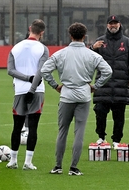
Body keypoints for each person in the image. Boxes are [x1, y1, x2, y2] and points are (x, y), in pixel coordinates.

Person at [41, 22, 112, 176]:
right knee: (79, 131)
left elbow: (45, 70)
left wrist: (55, 85)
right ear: (84, 36)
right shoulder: (92, 54)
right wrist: (95, 86)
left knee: (62, 131)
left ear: (70, 36)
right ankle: (73, 167)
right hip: (84, 94)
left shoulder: (61, 53)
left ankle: (58, 166)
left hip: (66, 94)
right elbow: (108, 71)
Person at [6, 19, 49, 170]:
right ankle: (28, 162)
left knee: (17, 126)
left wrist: (25, 79)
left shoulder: (15, 47)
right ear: (42, 32)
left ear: (30, 28)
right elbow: (41, 71)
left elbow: (10, 71)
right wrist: (32, 87)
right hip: (36, 91)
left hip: (19, 90)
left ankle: (12, 160)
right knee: (33, 127)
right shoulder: (43, 48)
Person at [90, 15, 129, 147]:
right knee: (99, 111)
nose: (113, 25)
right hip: (103, 85)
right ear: (107, 25)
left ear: (119, 24)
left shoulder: (127, 42)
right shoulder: (100, 41)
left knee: (119, 116)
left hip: (121, 85)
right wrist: (92, 48)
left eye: (115, 23)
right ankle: (101, 137)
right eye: (111, 23)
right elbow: (88, 60)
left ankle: (116, 140)